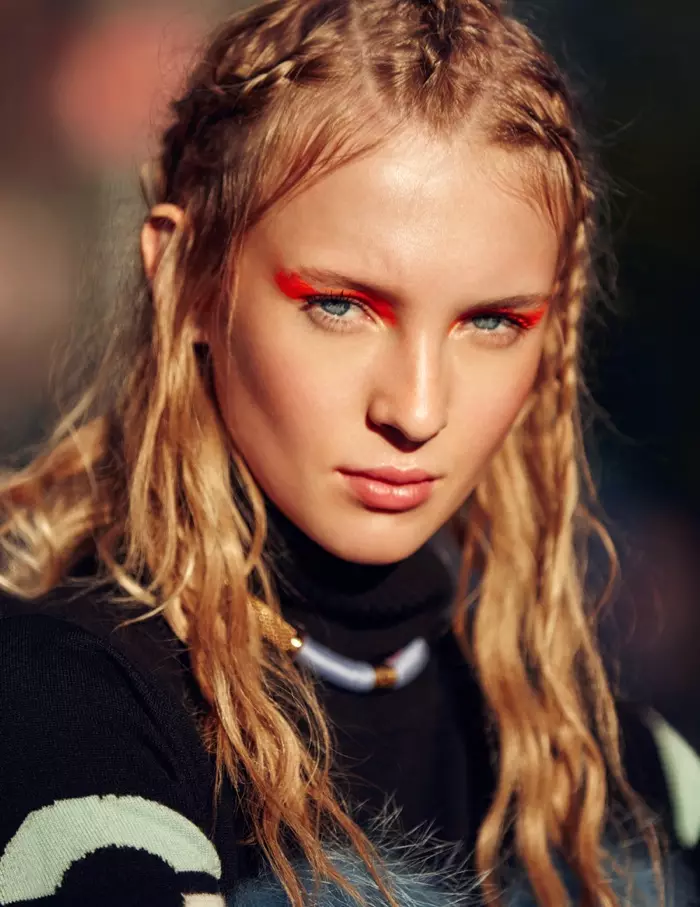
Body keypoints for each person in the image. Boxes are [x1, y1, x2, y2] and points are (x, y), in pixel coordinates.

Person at [0, 0, 689, 904]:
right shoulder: (68, 707)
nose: (416, 407)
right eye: (341, 304)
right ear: (187, 276)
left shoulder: (615, 766)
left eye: (492, 321)